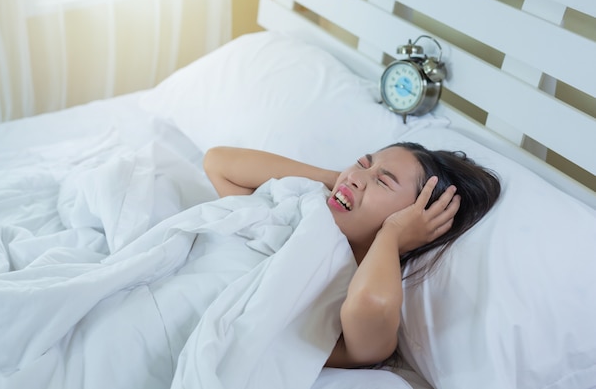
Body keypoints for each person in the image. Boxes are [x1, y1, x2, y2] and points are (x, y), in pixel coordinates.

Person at [203, 142, 501, 369]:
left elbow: (372, 302)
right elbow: (218, 162)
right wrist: (343, 181)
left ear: (416, 222)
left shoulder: (361, 303)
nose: (358, 175)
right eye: (362, 163)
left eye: (383, 182)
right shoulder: (294, 215)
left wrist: (391, 236)